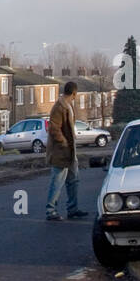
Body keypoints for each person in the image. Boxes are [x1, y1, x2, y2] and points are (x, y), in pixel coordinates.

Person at [46, 80, 90, 221]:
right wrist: (63, 142)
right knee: (57, 181)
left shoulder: (68, 105)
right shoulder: (60, 107)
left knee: (73, 180)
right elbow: (53, 128)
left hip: (70, 150)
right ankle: (50, 210)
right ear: (74, 93)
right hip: (60, 151)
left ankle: (73, 209)